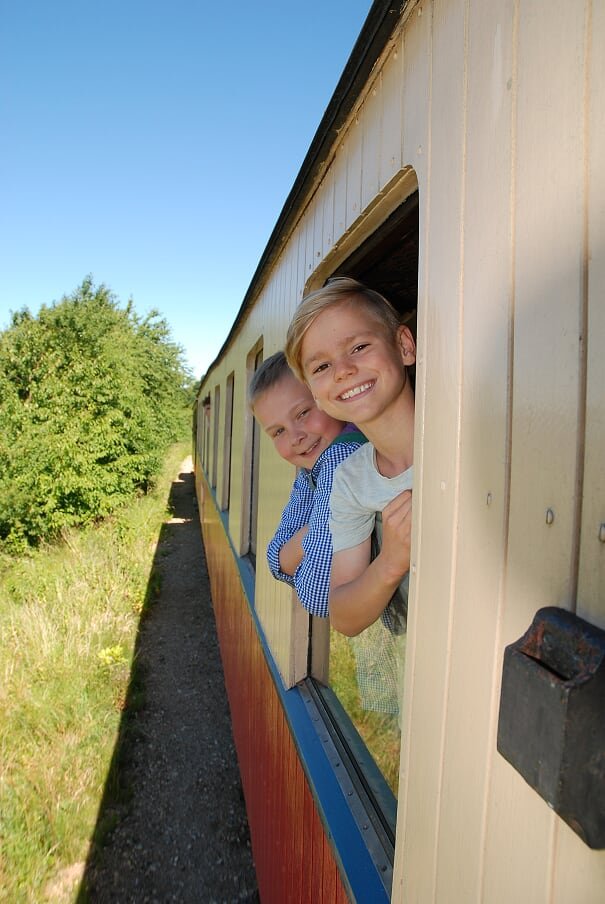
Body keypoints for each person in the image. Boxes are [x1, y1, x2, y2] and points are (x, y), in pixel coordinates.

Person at [285, 277, 415, 639]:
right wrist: (391, 562)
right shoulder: (350, 482)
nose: (342, 370)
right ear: (315, 392)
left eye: (358, 347)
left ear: (404, 346)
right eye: (321, 367)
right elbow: (343, 616)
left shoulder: (464, 436)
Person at [248, 351, 365, 617]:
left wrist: (294, 555)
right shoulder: (310, 470)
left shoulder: (342, 459)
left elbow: (320, 597)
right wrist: (313, 531)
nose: (296, 437)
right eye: (278, 431)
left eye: (302, 413)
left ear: (327, 398)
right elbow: (275, 558)